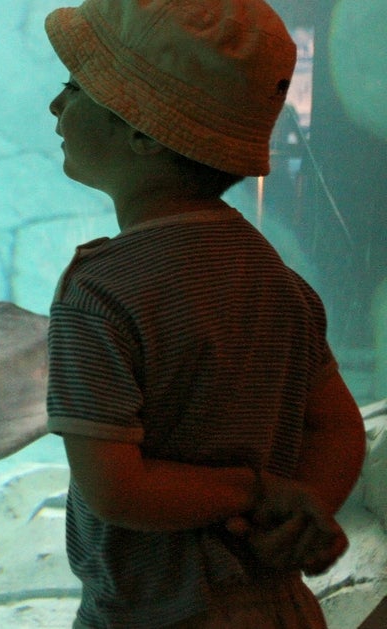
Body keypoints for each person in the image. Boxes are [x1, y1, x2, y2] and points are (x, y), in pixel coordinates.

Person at [41, 0, 367, 627]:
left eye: (77, 86)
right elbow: (336, 429)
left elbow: (114, 489)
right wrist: (302, 514)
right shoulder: (281, 282)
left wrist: (254, 491)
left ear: (142, 131)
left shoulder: (100, 294)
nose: (58, 105)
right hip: (280, 607)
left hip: (147, 612)